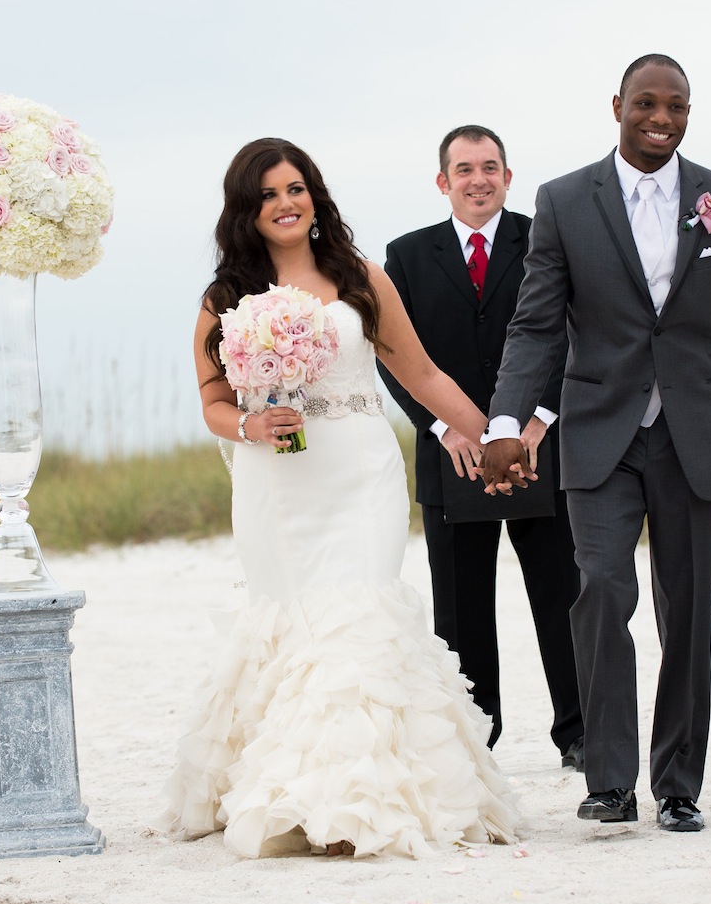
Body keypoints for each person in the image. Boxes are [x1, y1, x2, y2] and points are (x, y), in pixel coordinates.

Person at [158, 137, 519, 858]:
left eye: (295, 188)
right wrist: (249, 424)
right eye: (267, 195)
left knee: (359, 616)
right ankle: (294, 797)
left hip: (360, 475)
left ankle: (364, 799)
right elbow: (210, 400)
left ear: (314, 196)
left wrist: (494, 439)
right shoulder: (224, 298)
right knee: (293, 622)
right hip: (277, 483)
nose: (284, 203)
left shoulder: (359, 277)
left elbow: (421, 375)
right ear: (246, 212)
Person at [480, 55, 711, 833]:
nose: (661, 118)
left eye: (677, 106)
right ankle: (608, 779)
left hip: (697, 436)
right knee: (602, 588)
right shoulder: (565, 201)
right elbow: (536, 324)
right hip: (601, 432)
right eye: (646, 102)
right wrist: (506, 424)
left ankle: (679, 785)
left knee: (689, 609)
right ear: (617, 106)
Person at [378, 125, 583, 764]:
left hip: (541, 449)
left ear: (508, 177)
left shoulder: (545, 242)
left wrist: (541, 418)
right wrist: (442, 429)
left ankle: (579, 735)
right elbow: (390, 354)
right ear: (443, 182)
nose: (478, 179)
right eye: (464, 169)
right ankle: (475, 742)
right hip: (453, 459)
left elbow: (577, 332)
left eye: (490, 167)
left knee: (562, 598)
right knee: (462, 614)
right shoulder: (407, 257)